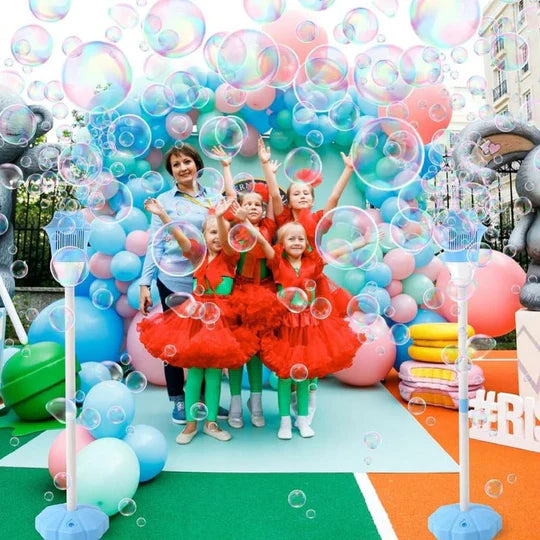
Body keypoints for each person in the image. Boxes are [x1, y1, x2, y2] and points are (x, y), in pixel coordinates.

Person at [138, 198, 257, 444]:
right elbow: (181, 238)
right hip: (197, 320)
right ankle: (191, 425)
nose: (217, 237)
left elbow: (226, 241)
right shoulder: (197, 257)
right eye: (211, 232)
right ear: (202, 236)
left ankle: (211, 423)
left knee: (214, 375)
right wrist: (162, 215)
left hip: (221, 322)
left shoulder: (230, 257)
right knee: (194, 374)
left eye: (220, 233)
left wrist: (221, 219)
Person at [139, 143, 228, 424]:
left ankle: (204, 399)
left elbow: (222, 233)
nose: (183, 168)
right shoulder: (163, 201)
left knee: (205, 343)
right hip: (173, 279)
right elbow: (156, 244)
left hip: (206, 281)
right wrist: (145, 283)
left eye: (187, 161)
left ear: (197, 164)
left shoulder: (213, 197)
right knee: (174, 343)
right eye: (176, 165)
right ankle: (178, 399)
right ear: (171, 172)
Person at [255, 222, 360, 440]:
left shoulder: (312, 264)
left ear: (306, 243)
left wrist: (363, 241)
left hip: (308, 325)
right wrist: (246, 223)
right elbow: (263, 243)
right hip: (285, 326)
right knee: (285, 376)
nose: (297, 242)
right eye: (291, 238)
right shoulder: (277, 262)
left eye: (301, 239)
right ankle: (285, 421)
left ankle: (302, 419)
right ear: (282, 243)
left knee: (304, 373)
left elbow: (337, 252)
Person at [213, 146, 282, 429]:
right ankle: (235, 403)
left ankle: (256, 403)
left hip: (263, 295)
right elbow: (231, 197)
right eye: (248, 203)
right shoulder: (235, 229)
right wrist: (226, 166)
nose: (253, 207)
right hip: (238, 294)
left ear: (263, 210)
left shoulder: (269, 227)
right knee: (236, 351)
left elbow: (275, 197)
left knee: (255, 350)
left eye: (258, 204)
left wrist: (266, 166)